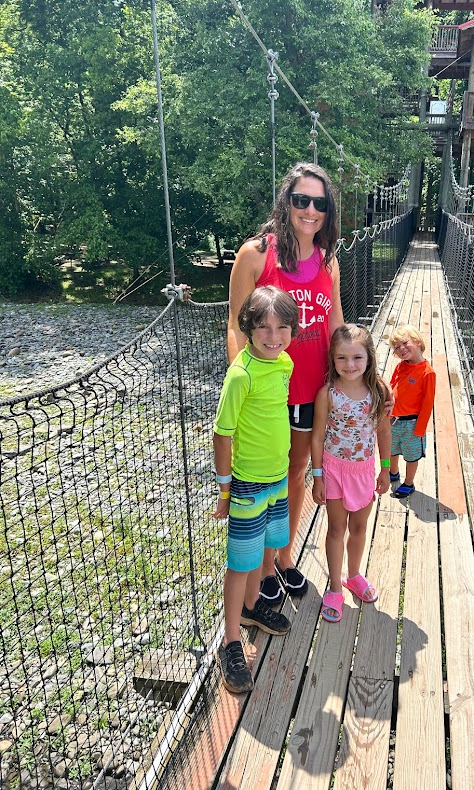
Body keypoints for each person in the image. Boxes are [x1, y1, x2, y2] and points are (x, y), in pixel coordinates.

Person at [227, 162, 344, 607]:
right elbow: (236, 324)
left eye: (320, 203)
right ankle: (258, 568)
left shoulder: (328, 259)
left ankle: (283, 555)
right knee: (265, 478)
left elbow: (334, 321)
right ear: (286, 203)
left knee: (295, 474)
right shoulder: (256, 254)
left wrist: (355, 375)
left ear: (328, 210)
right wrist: (244, 386)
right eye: (301, 200)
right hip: (268, 393)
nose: (310, 210)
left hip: (312, 388)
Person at [212, 286, 299, 693]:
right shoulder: (240, 375)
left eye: (283, 327)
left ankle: (251, 608)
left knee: (264, 547)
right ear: (247, 328)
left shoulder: (284, 362)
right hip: (247, 482)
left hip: (277, 477)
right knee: (241, 562)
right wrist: (225, 489)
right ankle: (230, 640)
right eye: (263, 327)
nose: (273, 336)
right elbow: (222, 433)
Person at [311, 324, 392, 622]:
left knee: (359, 527)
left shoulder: (379, 392)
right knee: (336, 529)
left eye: (357, 357)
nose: (350, 365)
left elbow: (384, 432)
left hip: (364, 471)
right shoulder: (327, 394)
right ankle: (335, 587)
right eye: (341, 358)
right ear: (332, 359)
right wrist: (317, 477)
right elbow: (317, 437)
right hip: (334, 470)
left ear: (369, 358)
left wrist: (386, 470)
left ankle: (354, 575)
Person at [388, 325, 436, 499]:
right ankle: (393, 472)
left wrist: (420, 429)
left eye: (405, 343)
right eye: (396, 347)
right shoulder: (401, 366)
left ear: (417, 341)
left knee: (411, 456)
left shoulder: (427, 372)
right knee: (391, 450)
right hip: (393, 420)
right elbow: (392, 385)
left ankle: (409, 483)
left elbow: (428, 403)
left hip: (412, 424)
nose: (401, 348)